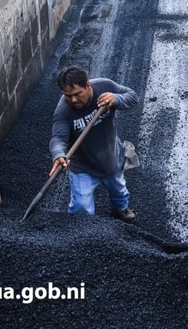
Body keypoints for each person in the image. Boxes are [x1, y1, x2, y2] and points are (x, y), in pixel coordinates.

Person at [49, 66, 140, 222]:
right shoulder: (63, 111)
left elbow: (132, 97)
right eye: (68, 96)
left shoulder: (105, 86)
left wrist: (116, 99)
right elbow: (58, 138)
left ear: (88, 86)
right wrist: (59, 154)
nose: (73, 100)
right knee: (81, 207)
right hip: (83, 166)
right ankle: (83, 231)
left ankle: (120, 210)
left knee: (119, 190)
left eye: (78, 94)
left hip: (110, 157)